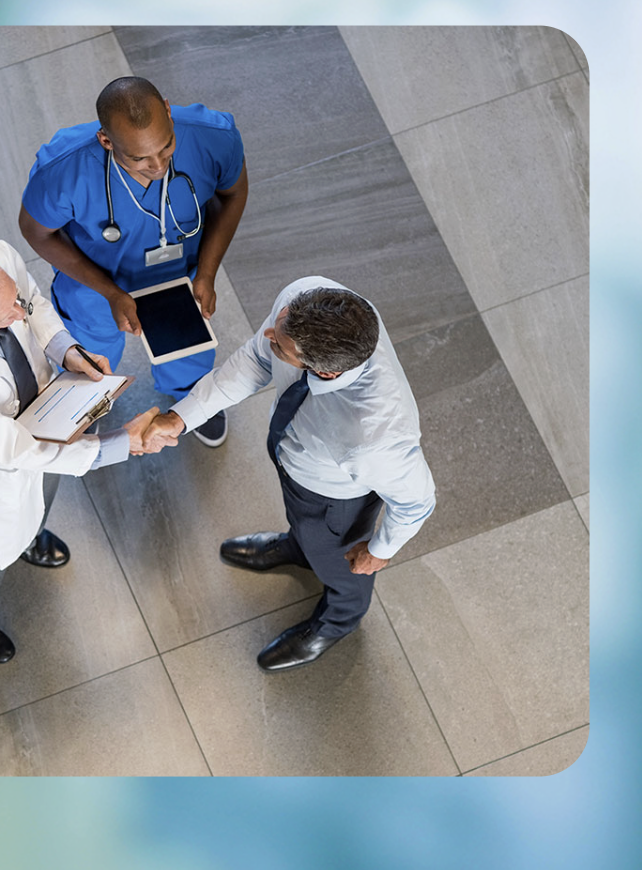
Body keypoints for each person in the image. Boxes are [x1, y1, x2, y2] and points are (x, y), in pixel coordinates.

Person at [140, 278, 436, 672]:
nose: (268, 337)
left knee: (341, 566)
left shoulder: (377, 437)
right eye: (279, 326)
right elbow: (256, 359)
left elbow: (417, 501)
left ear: (325, 373)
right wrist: (181, 418)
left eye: (281, 346)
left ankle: (338, 621)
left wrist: (379, 550)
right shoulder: (309, 296)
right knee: (304, 528)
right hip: (294, 456)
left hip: (334, 499)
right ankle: (299, 548)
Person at [0, 235, 165, 664]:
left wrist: (68, 350)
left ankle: (28, 536)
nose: (17, 313)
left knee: (41, 490)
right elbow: (16, 450)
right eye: (4, 317)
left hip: (44, 413)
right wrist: (118, 445)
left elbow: (35, 303)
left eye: (13, 301)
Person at [18, 75, 248, 447]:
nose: (157, 166)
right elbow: (35, 231)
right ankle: (88, 403)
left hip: (180, 274)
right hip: (95, 284)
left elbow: (234, 193)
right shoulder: (62, 171)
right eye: (139, 159)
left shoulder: (214, 136)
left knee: (188, 346)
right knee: (90, 355)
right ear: (106, 141)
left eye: (167, 146)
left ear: (170, 113)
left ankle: (190, 398)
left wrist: (206, 272)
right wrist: (109, 292)